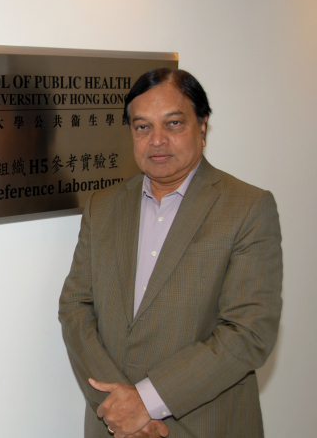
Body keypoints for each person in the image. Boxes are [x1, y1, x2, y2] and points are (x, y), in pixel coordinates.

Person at [59, 68, 282, 438]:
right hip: (112, 425)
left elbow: (248, 332)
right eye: (142, 127)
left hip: (204, 425)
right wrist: (121, 407)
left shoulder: (247, 207)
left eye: (173, 124)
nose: (157, 140)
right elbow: (75, 307)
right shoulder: (103, 206)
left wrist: (145, 402)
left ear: (203, 126)